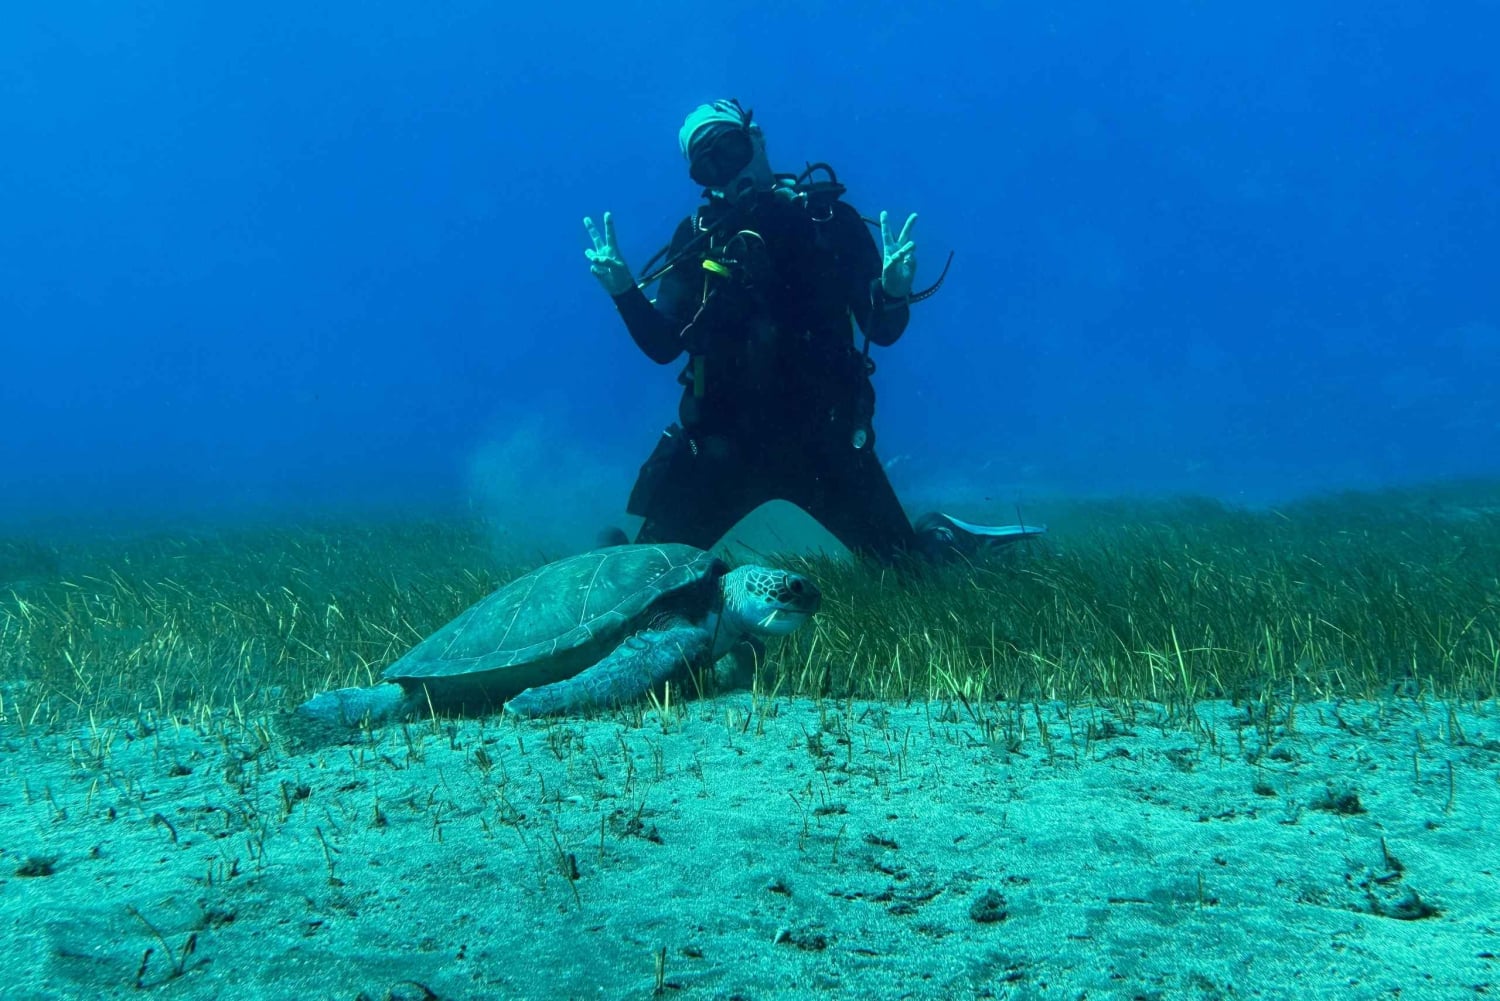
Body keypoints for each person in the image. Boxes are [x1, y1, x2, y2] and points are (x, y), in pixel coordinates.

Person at [583, 99, 1038, 562]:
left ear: (756, 139)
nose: (727, 173)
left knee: (906, 576)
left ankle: (940, 541)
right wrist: (624, 290)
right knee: (647, 579)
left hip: (825, 442)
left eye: (731, 150)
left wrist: (894, 289)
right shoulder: (697, 241)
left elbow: (881, 330)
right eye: (708, 167)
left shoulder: (828, 222)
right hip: (722, 449)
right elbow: (663, 346)